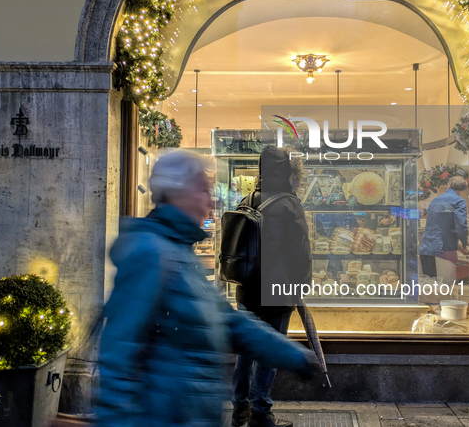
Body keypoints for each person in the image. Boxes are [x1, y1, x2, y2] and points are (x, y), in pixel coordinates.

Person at [95, 149, 317, 427]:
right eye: (203, 190)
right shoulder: (151, 253)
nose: (211, 201)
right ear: (178, 193)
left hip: (190, 411)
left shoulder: (181, 251)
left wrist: (293, 355)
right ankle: (260, 411)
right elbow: (118, 353)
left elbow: (228, 320)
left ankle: (243, 408)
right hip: (164, 416)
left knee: (245, 359)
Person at [232, 146, 311, 427]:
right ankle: (261, 412)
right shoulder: (290, 204)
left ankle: (239, 407)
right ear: (289, 173)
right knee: (269, 347)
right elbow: (300, 252)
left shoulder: (247, 199)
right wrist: (302, 286)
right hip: (277, 291)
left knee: (246, 347)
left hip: (246, 288)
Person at [419, 176, 469, 283]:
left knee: (429, 287)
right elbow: (461, 225)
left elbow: (437, 227)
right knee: (446, 287)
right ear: (464, 190)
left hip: (426, 248)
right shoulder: (459, 201)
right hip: (442, 252)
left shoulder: (435, 200)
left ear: (449, 186)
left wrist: (457, 246)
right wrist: (466, 243)